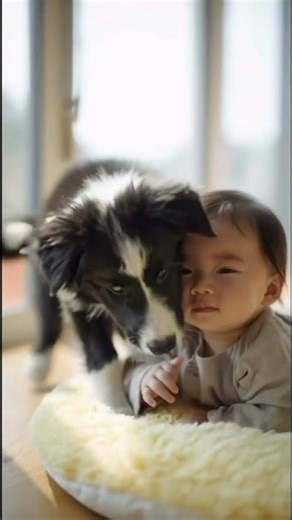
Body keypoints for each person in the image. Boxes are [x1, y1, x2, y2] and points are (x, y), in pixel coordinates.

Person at [123, 190, 290, 432]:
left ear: (270, 290)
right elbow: (131, 367)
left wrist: (212, 420)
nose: (201, 287)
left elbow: (281, 416)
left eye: (225, 271)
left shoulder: (271, 350)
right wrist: (146, 380)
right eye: (184, 271)